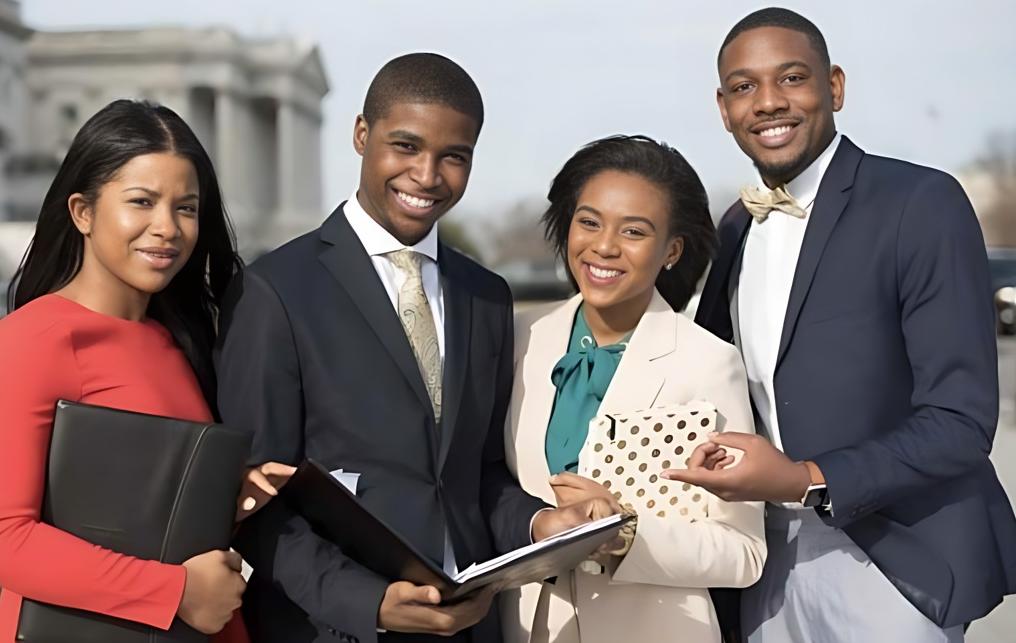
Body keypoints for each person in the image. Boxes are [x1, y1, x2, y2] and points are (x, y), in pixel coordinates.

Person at [215, 53, 616, 643]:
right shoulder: (273, 289)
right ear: (360, 135)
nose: (427, 175)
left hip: (473, 625)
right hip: (334, 628)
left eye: (454, 157)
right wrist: (370, 603)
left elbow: (474, 474)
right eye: (405, 147)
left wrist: (538, 523)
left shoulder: (485, 295)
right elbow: (254, 502)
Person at [663, 8, 1016, 642]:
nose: (768, 102)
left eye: (792, 78)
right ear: (723, 107)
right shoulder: (737, 227)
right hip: (762, 566)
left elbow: (960, 421)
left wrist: (806, 480)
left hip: (890, 557)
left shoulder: (920, 202)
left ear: (836, 87)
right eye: (744, 87)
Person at [0, 99, 288, 641]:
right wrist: (175, 592)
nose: (167, 228)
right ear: (82, 212)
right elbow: (6, 538)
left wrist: (222, 498)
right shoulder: (32, 341)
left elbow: (127, 510)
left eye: (186, 207)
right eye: (142, 202)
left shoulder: (178, 339)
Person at [500, 135, 765, 643]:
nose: (603, 247)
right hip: (528, 628)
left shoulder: (710, 363)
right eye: (589, 222)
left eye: (634, 231)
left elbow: (744, 551)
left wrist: (624, 534)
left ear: (671, 250)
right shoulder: (520, 339)